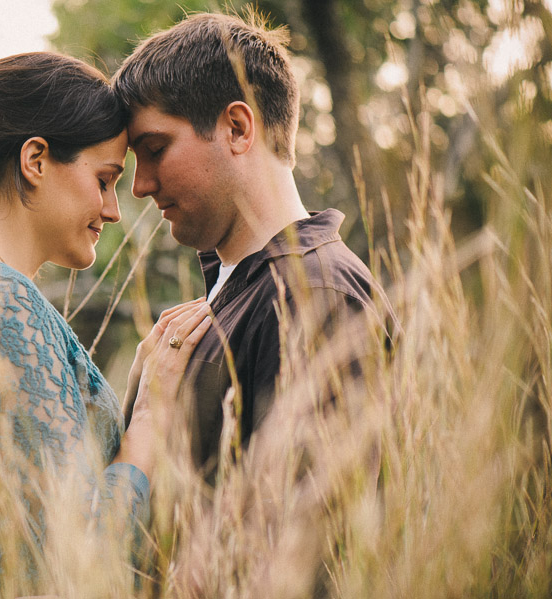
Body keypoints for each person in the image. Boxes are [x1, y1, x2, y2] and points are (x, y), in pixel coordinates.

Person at [0, 52, 210, 597]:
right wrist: (150, 418)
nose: (113, 209)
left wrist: (134, 387)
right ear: (36, 160)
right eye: (104, 179)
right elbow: (79, 548)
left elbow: (35, 503)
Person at [112, 13, 397, 479]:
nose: (140, 186)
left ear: (239, 129)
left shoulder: (313, 296)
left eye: (156, 149)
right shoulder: (243, 291)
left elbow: (313, 537)